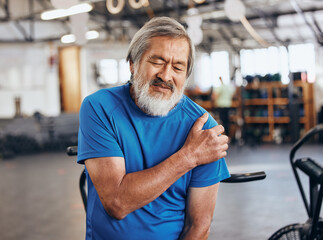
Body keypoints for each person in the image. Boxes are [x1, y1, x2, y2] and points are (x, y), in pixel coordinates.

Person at [77, 16, 230, 240]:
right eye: (157, 62)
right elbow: (117, 203)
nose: (166, 75)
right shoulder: (99, 107)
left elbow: (199, 226)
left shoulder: (204, 130)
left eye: (178, 67)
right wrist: (189, 157)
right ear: (132, 63)